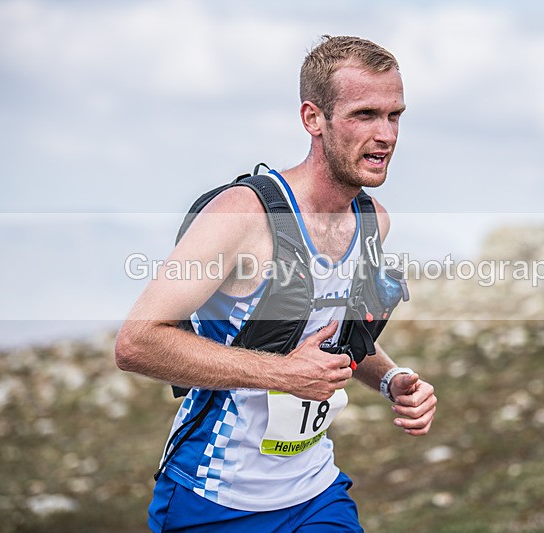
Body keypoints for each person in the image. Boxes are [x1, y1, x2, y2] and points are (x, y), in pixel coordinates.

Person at [115, 35, 437, 532]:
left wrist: (393, 380)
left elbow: (333, 336)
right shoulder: (244, 214)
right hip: (212, 498)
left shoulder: (374, 221)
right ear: (313, 119)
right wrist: (281, 375)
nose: (386, 134)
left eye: (394, 115)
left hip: (314, 493)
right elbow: (137, 343)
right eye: (364, 115)